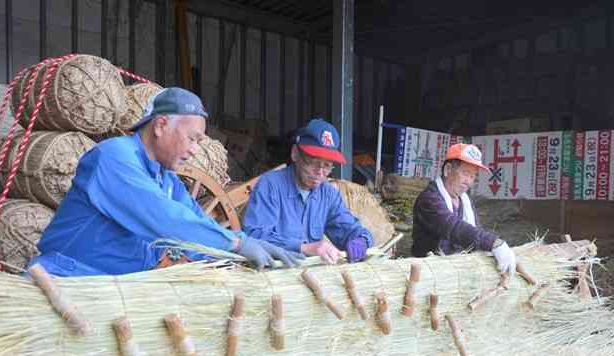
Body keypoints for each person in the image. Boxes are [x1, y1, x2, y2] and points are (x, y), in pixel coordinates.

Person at [28, 87, 301, 277]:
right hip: (68, 279)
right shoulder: (115, 158)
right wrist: (236, 245)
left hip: (114, 285)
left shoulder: (165, 177)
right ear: (160, 126)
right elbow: (166, 221)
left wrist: (242, 244)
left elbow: (194, 220)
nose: (195, 149)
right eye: (192, 138)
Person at [243, 119, 373, 265]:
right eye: (313, 162)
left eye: (327, 166)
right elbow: (254, 235)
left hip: (310, 276)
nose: (320, 172)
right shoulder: (270, 185)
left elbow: (349, 229)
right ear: (295, 154)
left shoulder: (328, 194)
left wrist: (362, 240)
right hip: (274, 271)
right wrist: (305, 248)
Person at [411, 143, 516, 276]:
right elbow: (453, 226)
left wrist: (497, 250)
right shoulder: (429, 199)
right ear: (448, 170)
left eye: (473, 176)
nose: (469, 182)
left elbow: (475, 231)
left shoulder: (464, 201)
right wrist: (494, 243)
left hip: (455, 272)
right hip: (428, 273)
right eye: (465, 173)